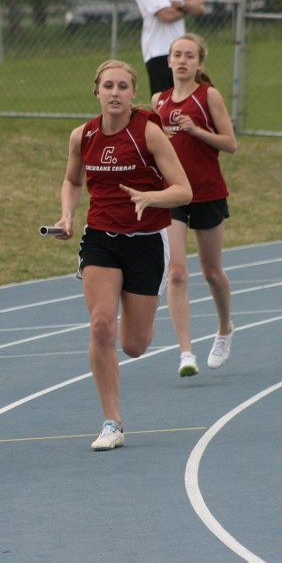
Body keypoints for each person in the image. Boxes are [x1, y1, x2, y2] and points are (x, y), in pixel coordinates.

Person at [53, 59, 192, 450]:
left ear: (133, 94)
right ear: (96, 91)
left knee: (133, 345)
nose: (115, 93)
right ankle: (111, 422)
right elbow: (70, 179)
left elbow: (184, 190)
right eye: (108, 86)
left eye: (122, 87)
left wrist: (153, 196)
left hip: (147, 239)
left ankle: (147, 305)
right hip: (101, 237)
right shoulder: (83, 135)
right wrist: (67, 216)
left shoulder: (148, 134)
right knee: (100, 325)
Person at [151, 33, 238, 377]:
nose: (183, 60)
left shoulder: (208, 96)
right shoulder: (158, 101)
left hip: (207, 192)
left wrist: (197, 130)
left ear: (199, 63)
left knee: (212, 272)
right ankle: (186, 353)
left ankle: (224, 328)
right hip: (173, 193)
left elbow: (231, 144)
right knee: (175, 272)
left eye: (190, 55)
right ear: (169, 61)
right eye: (177, 55)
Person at [134, 0, 205, 96]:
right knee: (164, 104)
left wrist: (179, 4)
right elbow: (166, 15)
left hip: (182, 51)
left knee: (187, 99)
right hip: (159, 52)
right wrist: (187, 8)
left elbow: (200, 7)